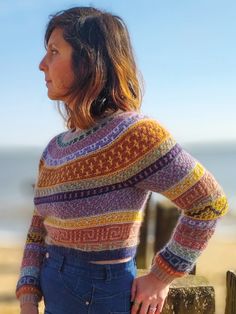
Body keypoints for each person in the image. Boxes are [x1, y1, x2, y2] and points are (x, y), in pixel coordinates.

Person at [16, 6, 228, 314]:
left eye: (53, 51)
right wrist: (27, 298)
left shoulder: (134, 135)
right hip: (53, 296)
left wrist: (161, 275)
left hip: (101, 299)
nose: (41, 64)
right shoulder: (54, 149)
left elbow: (209, 202)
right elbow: (38, 227)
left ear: (89, 60)